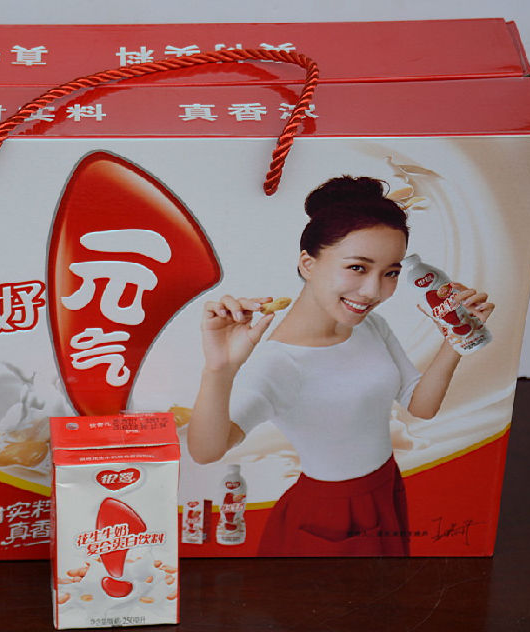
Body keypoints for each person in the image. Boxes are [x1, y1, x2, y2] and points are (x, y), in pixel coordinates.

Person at [186, 175, 494, 556]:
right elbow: (206, 451)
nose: (374, 291)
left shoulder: (370, 326)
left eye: (391, 272)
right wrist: (219, 369)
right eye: (358, 268)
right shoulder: (280, 362)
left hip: (386, 490)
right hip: (328, 517)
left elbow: (420, 405)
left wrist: (457, 336)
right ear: (308, 263)